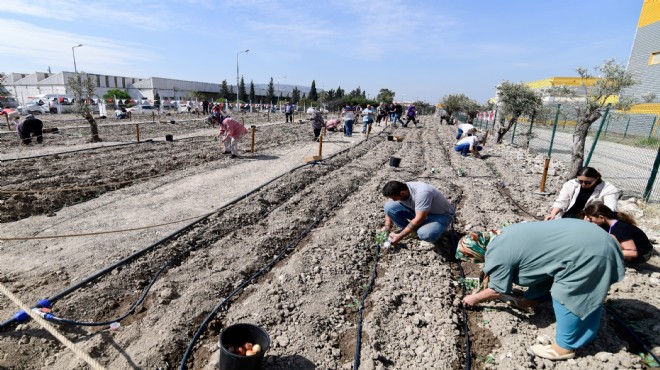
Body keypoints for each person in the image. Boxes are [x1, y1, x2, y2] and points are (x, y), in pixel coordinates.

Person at [461, 219, 624, 361]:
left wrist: (473, 299)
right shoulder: (501, 235)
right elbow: (539, 267)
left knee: (568, 295)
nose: (473, 260)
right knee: (547, 270)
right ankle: (528, 302)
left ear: (476, 251)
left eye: (471, 257)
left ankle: (564, 348)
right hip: (590, 235)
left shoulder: (498, 255)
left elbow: (497, 289)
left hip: (589, 252)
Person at [381, 181, 454, 246]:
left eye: (395, 198)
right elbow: (389, 207)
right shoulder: (399, 190)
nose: (394, 200)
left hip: (440, 215)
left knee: (425, 234)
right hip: (420, 212)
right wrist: (387, 226)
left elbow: (420, 218)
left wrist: (400, 236)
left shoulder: (422, 193)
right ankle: (412, 231)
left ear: (402, 193)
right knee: (388, 207)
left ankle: (432, 232)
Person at [583, 202, 653, 264]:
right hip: (632, 249)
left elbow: (633, 253)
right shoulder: (608, 219)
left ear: (601, 217)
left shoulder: (620, 228)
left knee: (609, 238)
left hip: (642, 255)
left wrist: (606, 253)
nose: (589, 220)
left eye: (591, 218)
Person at [544, 167, 619, 220]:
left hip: (591, 218)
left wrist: (593, 217)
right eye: (580, 181)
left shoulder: (608, 189)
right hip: (570, 214)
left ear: (596, 179)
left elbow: (610, 209)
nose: (583, 184)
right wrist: (553, 214)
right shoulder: (571, 184)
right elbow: (562, 201)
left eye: (588, 182)